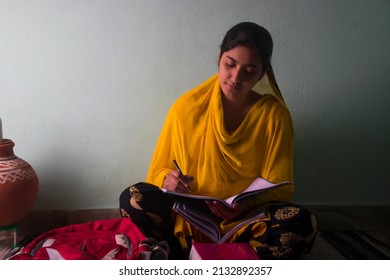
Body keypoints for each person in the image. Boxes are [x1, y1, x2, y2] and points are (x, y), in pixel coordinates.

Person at [119, 22, 316, 259]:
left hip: (246, 221)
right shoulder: (187, 108)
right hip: (189, 219)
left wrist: (245, 205)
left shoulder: (274, 115)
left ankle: (188, 255)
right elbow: (159, 172)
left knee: (303, 223)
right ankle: (228, 256)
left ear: (262, 73)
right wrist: (168, 179)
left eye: (249, 70)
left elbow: (280, 185)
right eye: (230, 65)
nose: (235, 77)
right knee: (132, 198)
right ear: (219, 58)